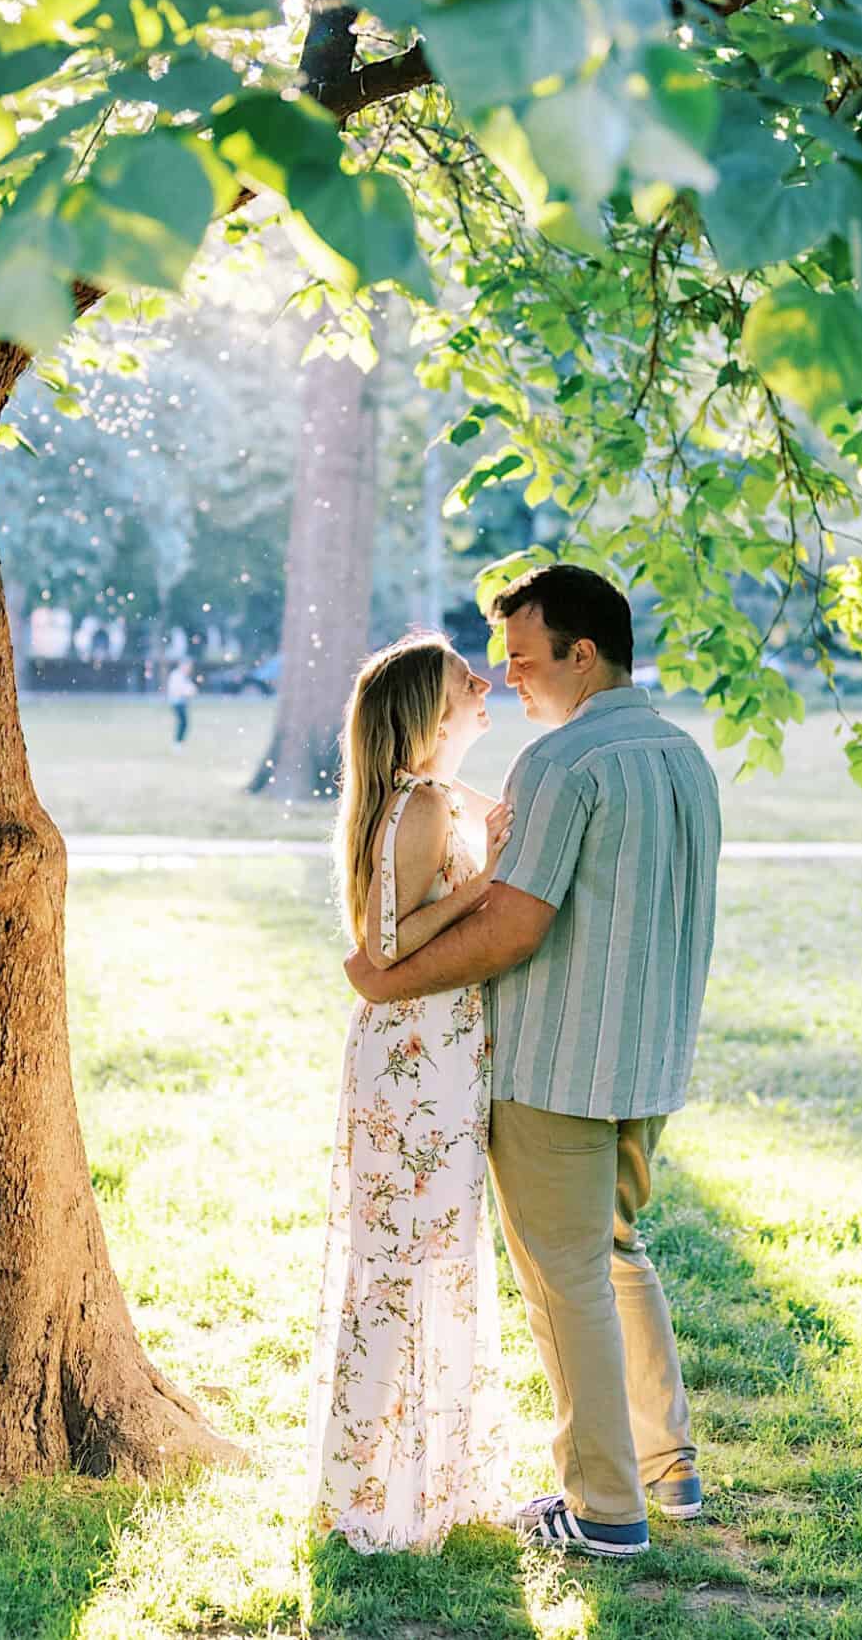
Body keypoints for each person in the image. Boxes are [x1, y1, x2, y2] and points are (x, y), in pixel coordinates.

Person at [344, 565, 721, 1560]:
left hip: (556, 1066)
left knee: (566, 1282)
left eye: (521, 657)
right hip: (649, 1058)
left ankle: (603, 1509)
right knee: (613, 1255)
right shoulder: (682, 758)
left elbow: (514, 926)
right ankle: (664, 1467)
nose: (507, 677)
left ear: (581, 655)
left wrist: (391, 980)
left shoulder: (563, 766)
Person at [308, 632, 516, 1552]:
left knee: (417, 1257)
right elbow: (386, 947)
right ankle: (384, 1491)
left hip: (427, 1052)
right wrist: (491, 888)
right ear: (432, 713)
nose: (486, 682)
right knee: (406, 1262)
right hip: (416, 1056)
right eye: (465, 679)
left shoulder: (423, 796)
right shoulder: (422, 802)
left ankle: (418, 1476)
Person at [165, 656, 196, 745]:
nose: (189, 668)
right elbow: (176, 689)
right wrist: (187, 692)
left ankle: (179, 742)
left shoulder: (184, 676)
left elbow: (191, 688)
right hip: (177, 702)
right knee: (183, 723)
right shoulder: (176, 675)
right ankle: (177, 742)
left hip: (182, 702)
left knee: (184, 723)